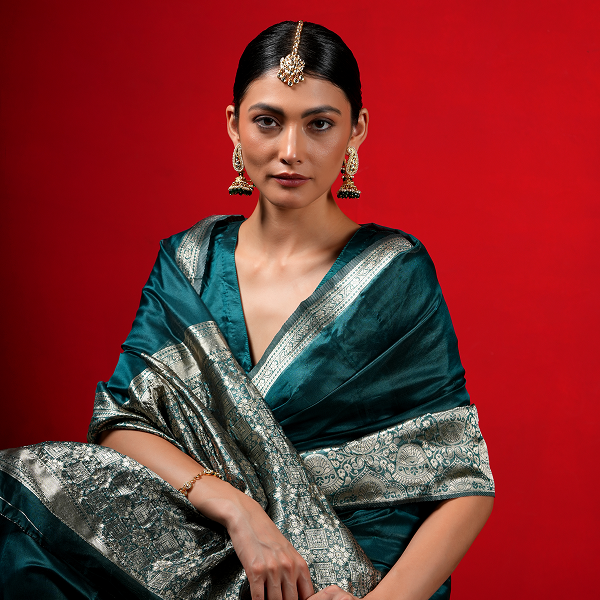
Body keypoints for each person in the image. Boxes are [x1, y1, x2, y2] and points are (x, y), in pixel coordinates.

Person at [0, 21, 494, 600]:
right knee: (25, 489)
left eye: (319, 124)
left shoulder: (393, 273)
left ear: (356, 130)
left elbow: (465, 478)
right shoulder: (191, 262)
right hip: (213, 545)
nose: (291, 151)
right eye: (268, 121)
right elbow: (123, 423)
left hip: (352, 574)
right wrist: (240, 511)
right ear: (234, 124)